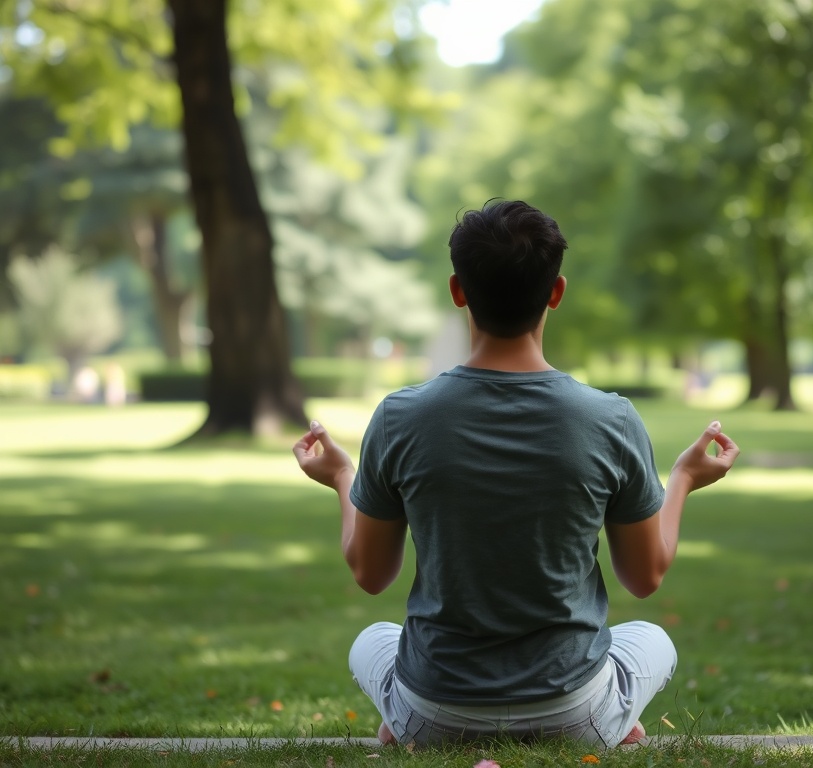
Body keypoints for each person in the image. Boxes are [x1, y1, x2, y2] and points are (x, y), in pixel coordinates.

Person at [293, 199, 739, 748]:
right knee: (651, 639)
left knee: (374, 639)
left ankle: (405, 723)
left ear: (458, 291)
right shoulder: (611, 419)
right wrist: (683, 480)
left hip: (435, 714)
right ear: (556, 291)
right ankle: (612, 720)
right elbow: (645, 578)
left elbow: (370, 573)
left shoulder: (399, 417)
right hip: (574, 715)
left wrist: (343, 478)